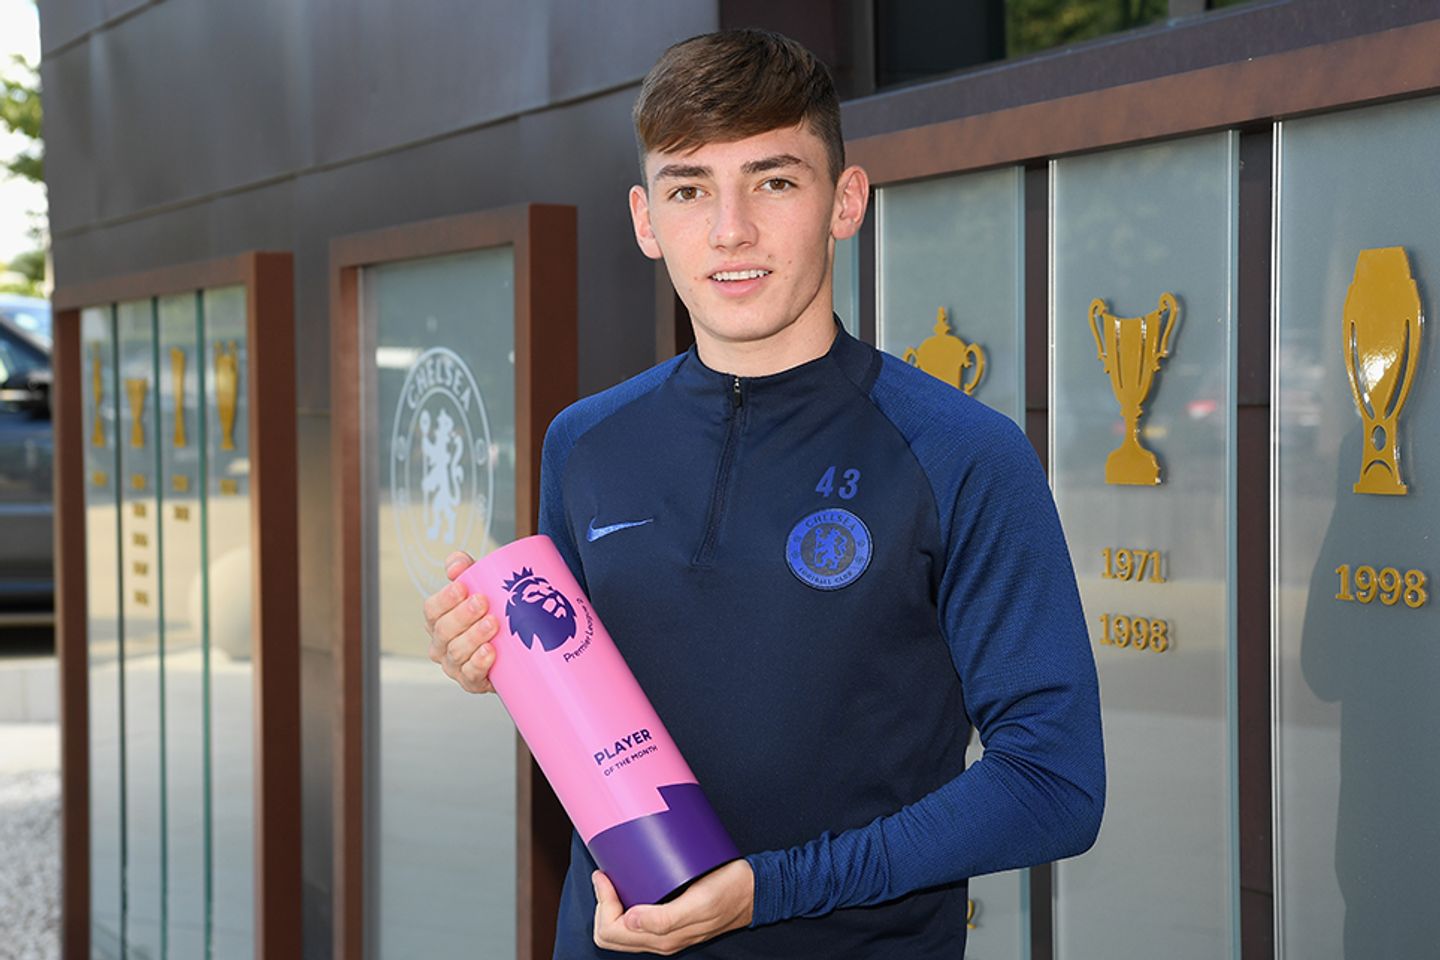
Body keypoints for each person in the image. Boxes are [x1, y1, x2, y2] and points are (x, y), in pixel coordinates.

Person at [425, 28, 1103, 958]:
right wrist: (496, 659)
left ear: (845, 201)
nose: (730, 229)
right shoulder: (584, 443)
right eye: (689, 188)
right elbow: (597, 709)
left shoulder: (962, 453)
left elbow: (1053, 783)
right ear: (644, 218)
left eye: (774, 180)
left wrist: (772, 890)